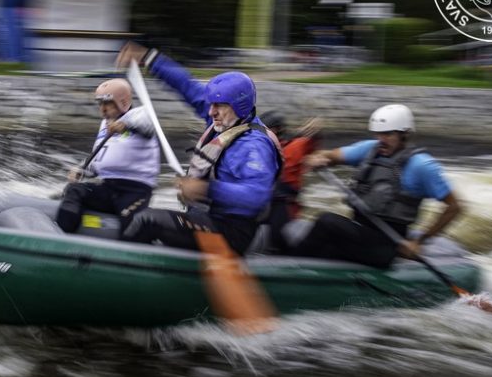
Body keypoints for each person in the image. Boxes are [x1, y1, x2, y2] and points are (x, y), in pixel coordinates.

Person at [115, 42, 280, 255]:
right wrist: (149, 58)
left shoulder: (254, 145)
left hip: (231, 233)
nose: (210, 112)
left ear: (239, 106)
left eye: (218, 106)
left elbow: (256, 195)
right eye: (211, 105)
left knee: (147, 220)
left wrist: (204, 189)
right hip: (207, 218)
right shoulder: (225, 118)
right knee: (143, 215)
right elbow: (186, 85)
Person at [292, 104, 462, 268]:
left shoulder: (422, 166)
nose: (381, 139)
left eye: (388, 134)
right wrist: (319, 158)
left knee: (327, 221)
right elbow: (331, 156)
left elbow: (455, 207)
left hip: (386, 245)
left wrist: (420, 241)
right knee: (322, 243)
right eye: (378, 134)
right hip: (360, 232)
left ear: (404, 134)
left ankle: (293, 267)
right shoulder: (370, 149)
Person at [56, 78, 160, 234]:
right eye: (100, 103)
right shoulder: (105, 125)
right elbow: (100, 158)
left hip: (135, 191)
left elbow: (147, 125)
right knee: (74, 190)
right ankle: (61, 236)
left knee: (132, 230)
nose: (102, 109)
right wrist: (82, 169)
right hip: (109, 187)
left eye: (107, 103)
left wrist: (126, 125)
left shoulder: (141, 114)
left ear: (122, 102)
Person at [258, 111, 323, 252]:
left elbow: (311, 144)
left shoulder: (296, 145)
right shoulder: (260, 148)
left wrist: (315, 133)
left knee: (279, 236)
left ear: (276, 130)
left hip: (284, 203)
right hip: (264, 200)